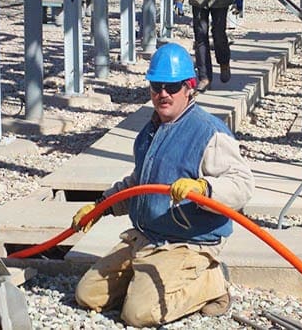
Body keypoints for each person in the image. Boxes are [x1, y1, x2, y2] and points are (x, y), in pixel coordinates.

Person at [72, 43, 254, 327]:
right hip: (146, 238)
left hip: (188, 243)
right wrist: (100, 207)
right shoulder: (149, 132)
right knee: (88, 295)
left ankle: (211, 281)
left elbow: (242, 185)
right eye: (157, 86)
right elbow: (139, 184)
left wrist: (203, 188)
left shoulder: (208, 133)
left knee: (138, 314)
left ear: (189, 87)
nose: (163, 94)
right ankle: (146, 278)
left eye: (172, 87)